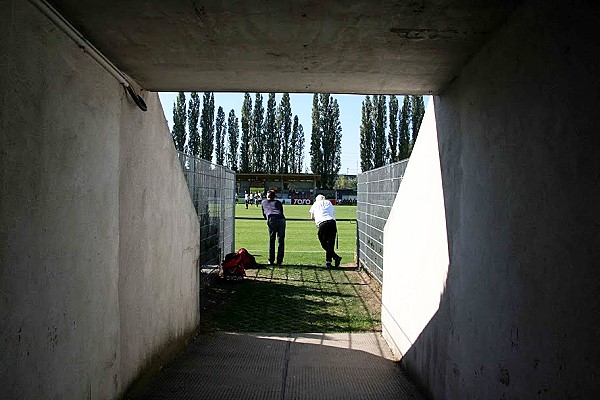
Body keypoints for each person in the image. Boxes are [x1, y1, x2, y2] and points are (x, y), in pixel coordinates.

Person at [309, 194, 342, 269]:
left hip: (322, 223)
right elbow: (332, 212)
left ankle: (335, 257)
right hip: (332, 222)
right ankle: (329, 262)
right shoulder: (329, 202)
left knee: (323, 242)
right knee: (330, 243)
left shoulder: (315, 204)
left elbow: (312, 217)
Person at [261, 190, 286, 265]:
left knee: (272, 240)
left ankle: (271, 260)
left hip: (272, 218)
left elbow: (264, 214)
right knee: (281, 241)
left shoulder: (264, 202)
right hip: (281, 219)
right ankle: (279, 261)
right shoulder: (278, 202)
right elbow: (281, 211)